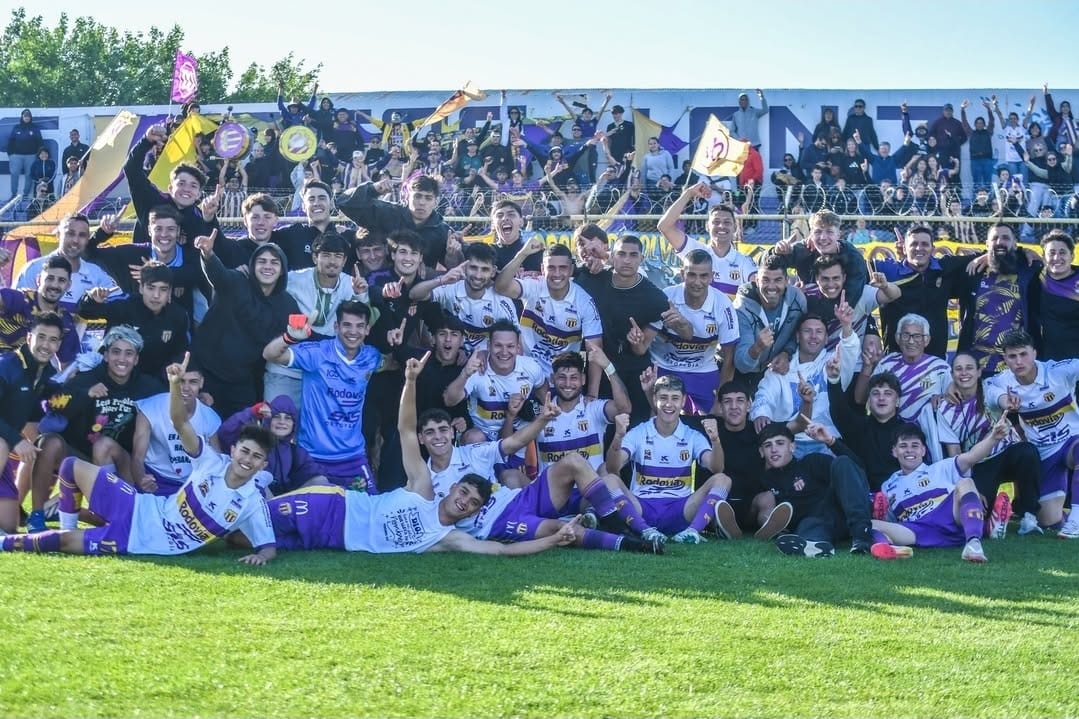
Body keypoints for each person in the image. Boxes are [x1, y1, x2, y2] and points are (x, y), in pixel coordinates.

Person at [257, 353, 579, 557]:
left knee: (251, 541)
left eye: (472, 503)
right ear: (451, 487)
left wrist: (553, 540)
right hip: (333, 506)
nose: (465, 500)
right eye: (463, 491)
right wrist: (410, 381)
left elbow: (500, 551)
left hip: (333, 540)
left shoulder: (446, 539)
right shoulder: (423, 487)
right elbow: (407, 431)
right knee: (256, 520)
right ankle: (238, 495)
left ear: (472, 514)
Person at [1, 353, 278, 565]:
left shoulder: (252, 501)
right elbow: (180, 423)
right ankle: (64, 522)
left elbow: (268, 545)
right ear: (233, 451)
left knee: (61, 544)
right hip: (139, 507)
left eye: (256, 457)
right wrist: (173, 384)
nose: (247, 460)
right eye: (244, 451)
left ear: (262, 465)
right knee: (72, 466)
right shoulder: (211, 461)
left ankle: (7, 542)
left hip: (137, 540)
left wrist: (262, 557)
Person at [263, 300, 388, 493]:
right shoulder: (318, 353)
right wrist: (289, 337)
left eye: (359, 326)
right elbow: (270, 354)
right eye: (347, 325)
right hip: (312, 457)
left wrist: (396, 343)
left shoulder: (371, 357)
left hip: (352, 457)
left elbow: (392, 363)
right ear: (336, 326)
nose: (353, 332)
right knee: (315, 514)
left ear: (367, 330)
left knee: (370, 512)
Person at [605, 375, 737, 545]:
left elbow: (716, 468)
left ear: (683, 401)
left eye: (675, 398)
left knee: (723, 480)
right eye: (663, 398)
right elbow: (612, 468)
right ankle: (645, 531)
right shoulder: (639, 432)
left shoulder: (692, 435)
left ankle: (691, 532)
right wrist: (618, 436)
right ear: (654, 399)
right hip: (642, 507)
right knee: (609, 480)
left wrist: (716, 441)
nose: (669, 404)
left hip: (680, 509)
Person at [871, 415, 1013, 563]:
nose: (909, 451)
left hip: (949, 519)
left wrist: (993, 438)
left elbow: (972, 457)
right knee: (870, 524)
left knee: (966, 482)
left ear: (923, 450)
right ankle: (888, 548)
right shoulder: (887, 485)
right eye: (903, 446)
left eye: (915, 446)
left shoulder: (941, 468)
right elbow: (890, 520)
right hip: (916, 529)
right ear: (894, 451)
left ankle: (973, 544)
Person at [190, 230, 298, 419]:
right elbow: (218, 275)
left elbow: (298, 334)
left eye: (274, 262)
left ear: (282, 270)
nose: (268, 267)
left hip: (241, 382)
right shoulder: (237, 282)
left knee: (242, 433)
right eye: (262, 261)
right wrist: (208, 254)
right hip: (204, 372)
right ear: (253, 265)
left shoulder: (286, 304)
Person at [937, 351, 1043, 536]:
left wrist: (1008, 403)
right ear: (952, 375)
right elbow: (954, 453)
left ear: (979, 372)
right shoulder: (944, 409)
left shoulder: (988, 388)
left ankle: (1029, 516)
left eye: (969, 368)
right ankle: (994, 516)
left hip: (1008, 453)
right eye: (958, 369)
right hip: (980, 464)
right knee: (977, 511)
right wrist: (967, 486)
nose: (964, 373)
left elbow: (1000, 398)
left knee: (1028, 452)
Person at [983, 330, 1079, 532]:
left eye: (1023, 354)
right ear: (1005, 359)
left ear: (1034, 353)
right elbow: (990, 392)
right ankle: (1064, 518)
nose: (1018, 361)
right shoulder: (1003, 381)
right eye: (1012, 356)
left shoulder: (1057, 372)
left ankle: (1076, 519)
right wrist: (1005, 401)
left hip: (1072, 441)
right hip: (1044, 452)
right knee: (1048, 520)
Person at [574, 232, 669, 423]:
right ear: (611, 256)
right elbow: (561, 272)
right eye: (621, 254)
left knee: (636, 425)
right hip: (597, 368)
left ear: (641, 258)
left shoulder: (654, 297)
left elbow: (643, 348)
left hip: (635, 370)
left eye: (633, 255)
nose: (627, 260)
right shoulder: (593, 278)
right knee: (600, 428)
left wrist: (638, 342)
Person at [442, 320, 547, 482]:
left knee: (512, 483)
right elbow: (449, 400)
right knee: (474, 438)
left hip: (517, 443)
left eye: (510, 346)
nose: (504, 352)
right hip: (484, 440)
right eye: (498, 345)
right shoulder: (478, 369)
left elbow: (543, 394)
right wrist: (465, 374)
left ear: (518, 347)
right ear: (489, 345)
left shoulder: (531, 367)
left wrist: (537, 410)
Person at [750, 309, 858, 457]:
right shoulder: (781, 366)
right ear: (798, 336)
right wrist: (761, 413)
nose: (813, 336)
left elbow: (850, 349)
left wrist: (846, 326)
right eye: (808, 331)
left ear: (827, 338)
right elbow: (764, 394)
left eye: (819, 331)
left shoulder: (834, 363)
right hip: (790, 442)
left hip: (827, 441)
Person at [759, 422, 874, 557]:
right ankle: (816, 547)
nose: (774, 449)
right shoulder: (765, 481)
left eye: (780, 443)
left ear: (792, 446)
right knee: (808, 525)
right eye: (768, 445)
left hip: (841, 514)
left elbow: (854, 468)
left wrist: (830, 441)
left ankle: (862, 534)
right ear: (761, 452)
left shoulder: (812, 462)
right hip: (813, 524)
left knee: (842, 462)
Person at [494, 239, 603, 378]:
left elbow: (595, 350)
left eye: (562, 268)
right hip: (527, 371)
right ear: (542, 269)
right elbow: (500, 287)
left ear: (570, 270)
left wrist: (592, 395)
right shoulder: (534, 285)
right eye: (551, 267)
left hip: (563, 377)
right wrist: (522, 254)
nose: (557, 274)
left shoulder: (584, 301)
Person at [650, 249, 739, 413]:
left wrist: (721, 397)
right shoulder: (665, 296)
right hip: (664, 366)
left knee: (716, 418)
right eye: (692, 275)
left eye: (704, 276)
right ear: (682, 274)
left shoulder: (723, 305)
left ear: (712, 276)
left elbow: (729, 357)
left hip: (703, 369)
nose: (697, 282)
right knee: (657, 419)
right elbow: (644, 343)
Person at [854, 313, 949, 462]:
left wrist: (944, 398)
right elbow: (861, 399)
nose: (911, 341)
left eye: (917, 336)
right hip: (890, 438)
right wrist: (867, 367)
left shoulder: (940, 368)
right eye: (906, 335)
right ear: (898, 338)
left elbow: (955, 402)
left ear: (926, 340)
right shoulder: (887, 363)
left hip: (928, 439)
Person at [0, 313, 63, 533]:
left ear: (59, 344)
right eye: (41, 337)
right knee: (1, 445)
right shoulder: (7, 365)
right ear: (29, 338)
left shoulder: (47, 374)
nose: (46, 345)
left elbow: (37, 413)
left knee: (8, 527)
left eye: (53, 339)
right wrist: (18, 440)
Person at [77, 261, 191, 379]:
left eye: (163, 289)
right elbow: (85, 312)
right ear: (141, 288)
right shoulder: (124, 304)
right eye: (151, 288)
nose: (156, 295)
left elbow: (182, 351)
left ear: (170, 291)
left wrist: (172, 371)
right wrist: (91, 299)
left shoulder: (178, 315)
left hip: (154, 381)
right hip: (112, 377)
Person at [953, 223, 1042, 374]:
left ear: (1015, 244)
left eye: (1006, 238)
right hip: (977, 367)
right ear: (987, 244)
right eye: (995, 238)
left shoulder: (1030, 271)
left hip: (1017, 366)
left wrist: (1025, 251)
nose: (1000, 242)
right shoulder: (973, 271)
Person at [129, 359, 222, 496]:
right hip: (155, 477)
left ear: (201, 383)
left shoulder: (210, 417)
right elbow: (137, 457)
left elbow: (217, 462)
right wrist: (141, 478)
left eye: (193, 382)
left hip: (192, 484)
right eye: (181, 381)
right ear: (172, 380)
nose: (185, 387)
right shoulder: (150, 408)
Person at [123, 124, 222, 246]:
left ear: (199, 194)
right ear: (170, 187)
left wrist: (210, 220)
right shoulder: (152, 200)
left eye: (193, 186)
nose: (186, 189)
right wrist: (146, 141)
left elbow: (214, 249)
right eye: (181, 183)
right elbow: (131, 169)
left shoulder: (200, 218)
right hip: (143, 263)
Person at [409, 242, 517, 354]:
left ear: (493, 271)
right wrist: (441, 280)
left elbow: (514, 343)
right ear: (465, 267)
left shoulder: (502, 302)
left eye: (484, 269)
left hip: (487, 360)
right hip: (453, 355)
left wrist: (487, 355)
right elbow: (414, 294)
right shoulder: (452, 287)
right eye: (473, 268)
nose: (478, 275)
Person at [657, 184, 757, 299]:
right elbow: (664, 226)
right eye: (716, 222)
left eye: (727, 222)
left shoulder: (744, 262)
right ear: (707, 226)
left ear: (735, 227)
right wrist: (688, 193)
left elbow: (761, 287)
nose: (721, 226)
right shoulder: (695, 251)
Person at [338, 175, 455, 272]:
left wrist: (454, 252)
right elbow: (344, 201)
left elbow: (458, 267)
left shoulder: (443, 232)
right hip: (380, 281)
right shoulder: (389, 213)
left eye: (428, 198)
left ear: (435, 202)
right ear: (407, 197)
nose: (422, 202)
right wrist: (372, 189)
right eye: (417, 196)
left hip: (422, 286)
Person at [538, 350, 631, 473]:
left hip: (591, 490)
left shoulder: (593, 409)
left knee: (607, 473)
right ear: (552, 379)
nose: (567, 384)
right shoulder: (541, 414)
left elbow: (624, 409)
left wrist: (608, 367)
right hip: (553, 491)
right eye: (562, 377)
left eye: (574, 378)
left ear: (583, 379)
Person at [218, 395, 326, 497]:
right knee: (260, 482)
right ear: (269, 419)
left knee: (321, 481)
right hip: (255, 500)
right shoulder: (255, 444)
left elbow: (316, 474)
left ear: (294, 424)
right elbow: (225, 432)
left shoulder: (296, 452)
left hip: (285, 502)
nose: (282, 422)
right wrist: (252, 412)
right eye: (276, 416)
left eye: (288, 418)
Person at [14, 214, 114, 311]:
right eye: (70, 233)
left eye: (82, 235)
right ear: (58, 235)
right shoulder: (33, 268)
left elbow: (119, 302)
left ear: (87, 239)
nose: (75, 240)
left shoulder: (96, 274)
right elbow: (14, 309)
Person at [731, 256, 807, 384]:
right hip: (740, 375)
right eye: (765, 280)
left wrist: (786, 353)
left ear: (786, 281)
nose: (771, 287)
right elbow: (741, 365)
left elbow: (798, 335)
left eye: (778, 280)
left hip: (775, 372)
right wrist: (757, 347)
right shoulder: (742, 309)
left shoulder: (797, 300)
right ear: (757, 280)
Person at [763, 210, 868, 299]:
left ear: (838, 235)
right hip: (809, 310)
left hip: (844, 311)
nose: (823, 237)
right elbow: (764, 265)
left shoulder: (852, 257)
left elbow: (852, 297)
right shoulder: (804, 250)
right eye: (818, 232)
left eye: (829, 232)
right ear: (811, 234)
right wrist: (775, 252)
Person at [0, 255, 80, 366]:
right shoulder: (21, 299)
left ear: (68, 285)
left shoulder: (65, 321)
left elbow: (68, 366)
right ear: (38, 280)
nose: (54, 285)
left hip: (28, 375)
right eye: (50, 278)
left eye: (61, 280)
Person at [1033, 229, 1079, 360]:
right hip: (1048, 359)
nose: (1056, 258)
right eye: (1051, 253)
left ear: (1072, 256)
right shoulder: (1038, 277)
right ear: (1043, 257)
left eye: (1062, 252)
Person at [6, 109, 43, 198]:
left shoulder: (35, 128)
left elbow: (40, 142)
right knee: (14, 173)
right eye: (25, 116)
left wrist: (38, 154)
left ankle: (25, 194)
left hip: (31, 156)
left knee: (29, 175)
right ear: (22, 117)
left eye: (28, 116)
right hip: (16, 156)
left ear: (30, 117)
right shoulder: (16, 127)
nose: (27, 117)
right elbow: (11, 141)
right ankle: (14, 194)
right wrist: (10, 154)